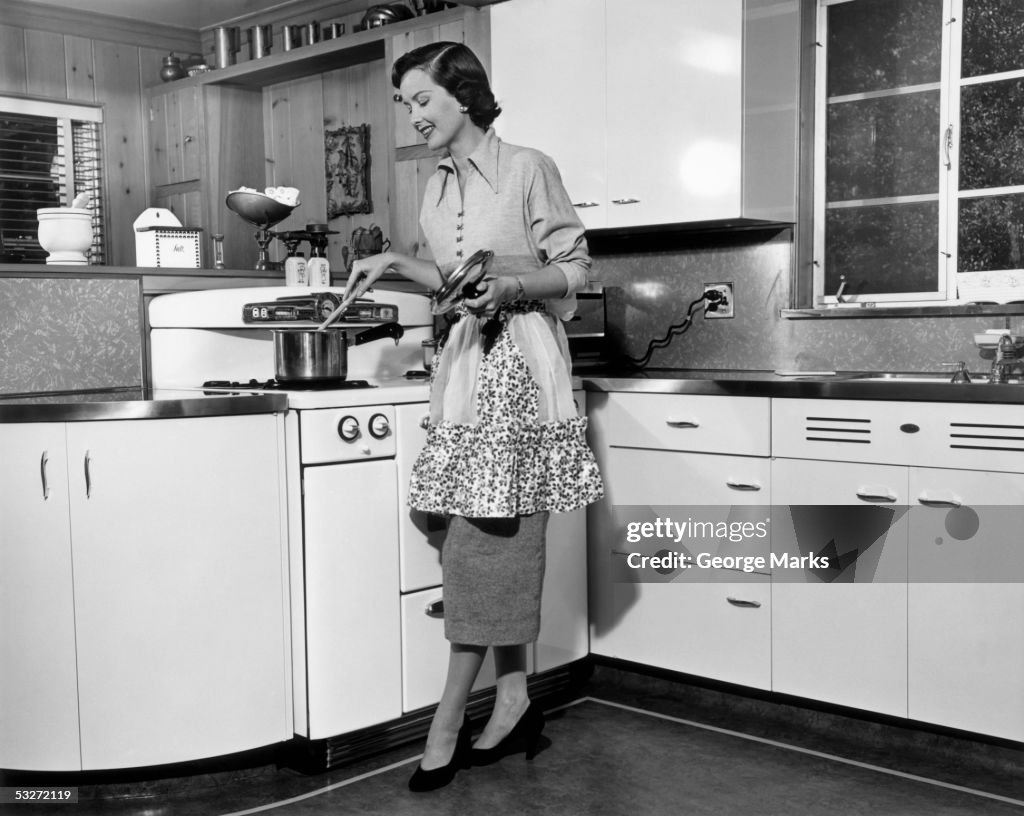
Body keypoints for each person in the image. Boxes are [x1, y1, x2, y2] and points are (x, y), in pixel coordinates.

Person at [344, 41, 604, 793]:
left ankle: (447, 721)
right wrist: (397, 263)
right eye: (405, 104)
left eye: (421, 100)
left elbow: (579, 269)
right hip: (460, 373)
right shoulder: (433, 190)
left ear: (463, 96)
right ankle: (517, 696)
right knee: (480, 536)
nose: (413, 116)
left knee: (485, 544)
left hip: (517, 373)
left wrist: (514, 291)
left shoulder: (527, 167)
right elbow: (455, 280)